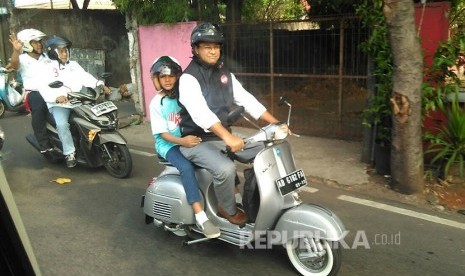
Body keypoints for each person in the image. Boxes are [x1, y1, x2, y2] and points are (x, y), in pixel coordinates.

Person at [178, 22, 280, 225]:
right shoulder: (189, 79)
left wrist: (275, 122)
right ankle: (226, 208)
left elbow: (247, 99)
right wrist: (227, 136)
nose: (213, 51)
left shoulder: (224, 74)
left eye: (216, 46)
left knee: (266, 149)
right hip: (196, 141)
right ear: (195, 49)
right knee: (225, 169)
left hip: (221, 136)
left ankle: (265, 200)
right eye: (207, 47)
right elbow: (201, 114)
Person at [148, 56, 220, 239]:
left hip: (187, 139)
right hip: (169, 145)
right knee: (187, 167)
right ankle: (200, 215)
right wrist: (183, 142)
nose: (168, 80)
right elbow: (162, 134)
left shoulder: (183, 96)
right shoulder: (157, 103)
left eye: (172, 75)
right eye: (163, 76)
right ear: (157, 79)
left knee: (217, 156)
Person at [38, 35, 109, 168]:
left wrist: (100, 84)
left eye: (66, 50)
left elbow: (86, 77)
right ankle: (69, 153)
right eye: (61, 51)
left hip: (78, 100)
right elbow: (43, 86)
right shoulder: (47, 67)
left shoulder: (74, 65)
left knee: (93, 117)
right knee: (62, 124)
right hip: (59, 104)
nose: (65, 53)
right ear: (53, 52)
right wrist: (56, 97)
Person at [8, 29, 53, 153]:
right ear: (27, 44)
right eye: (35, 42)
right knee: (39, 107)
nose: (40, 44)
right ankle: (43, 142)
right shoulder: (22, 58)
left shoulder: (47, 57)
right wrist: (16, 51)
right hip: (34, 92)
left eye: (40, 42)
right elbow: (14, 64)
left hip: (52, 91)